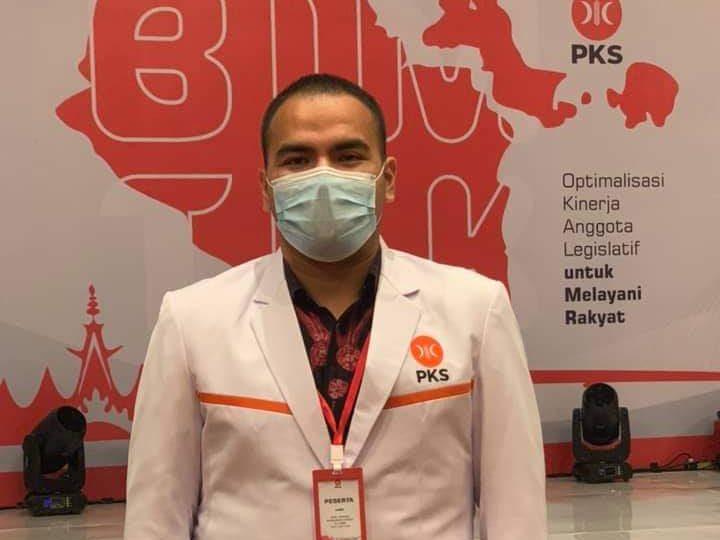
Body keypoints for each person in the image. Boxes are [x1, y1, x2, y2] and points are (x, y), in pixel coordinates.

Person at [124, 73, 547, 540]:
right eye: (298, 160)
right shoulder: (192, 321)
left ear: (387, 179)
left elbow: (516, 510)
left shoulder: (475, 310)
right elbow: (155, 515)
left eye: (348, 156)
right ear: (266, 188)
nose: (323, 177)